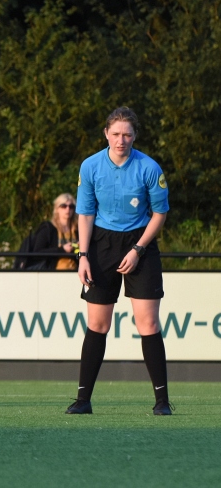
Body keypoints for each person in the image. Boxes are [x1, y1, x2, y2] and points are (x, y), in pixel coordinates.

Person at [67, 106, 172, 416]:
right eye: (115, 134)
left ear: (134, 136)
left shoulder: (149, 168)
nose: (121, 140)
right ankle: (83, 400)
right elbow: (84, 212)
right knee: (97, 324)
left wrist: (138, 249)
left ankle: (162, 401)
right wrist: (83, 255)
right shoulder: (90, 166)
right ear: (106, 134)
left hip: (140, 243)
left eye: (127, 134)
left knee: (148, 323)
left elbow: (160, 213)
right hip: (100, 245)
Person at [25, 193, 79, 270]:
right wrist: (62, 250)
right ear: (57, 209)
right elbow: (37, 253)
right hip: (52, 273)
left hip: (75, 271)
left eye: (71, 206)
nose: (68, 209)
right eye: (63, 206)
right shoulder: (48, 228)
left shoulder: (78, 229)